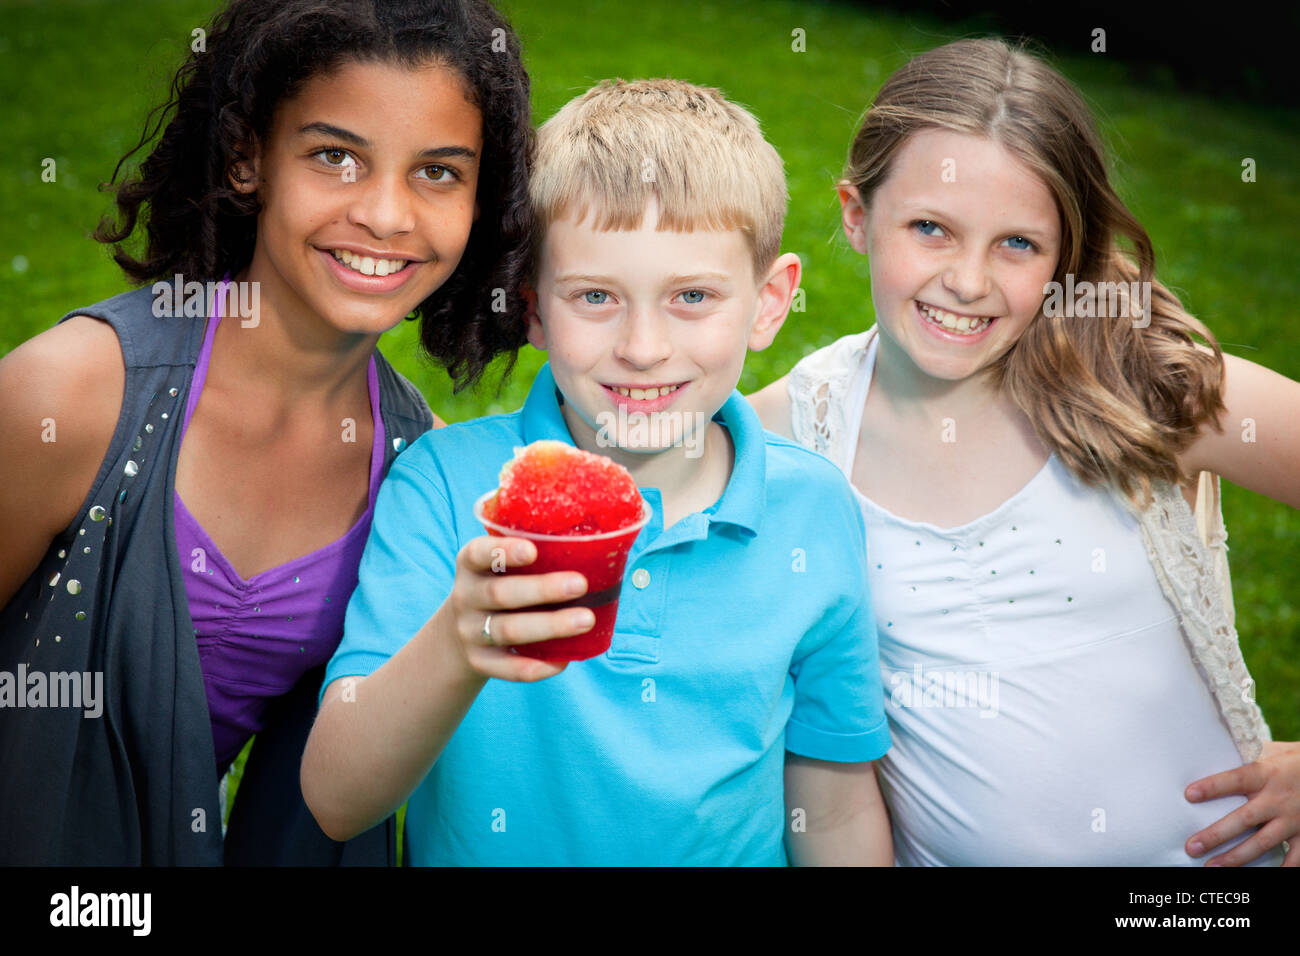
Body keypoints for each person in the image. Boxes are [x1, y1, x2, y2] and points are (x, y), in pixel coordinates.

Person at [301, 78, 893, 865]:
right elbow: (339, 802)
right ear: (534, 307)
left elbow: (834, 800)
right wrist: (459, 636)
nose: (643, 346)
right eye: (595, 297)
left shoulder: (813, 509)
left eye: (691, 296)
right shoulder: (445, 489)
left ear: (768, 302)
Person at [0, 0, 533, 865]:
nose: (388, 215)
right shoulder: (74, 398)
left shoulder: (418, 471)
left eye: (438, 173)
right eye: (335, 156)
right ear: (248, 159)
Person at [750, 36, 1300, 866]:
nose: (968, 281)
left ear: (1063, 258)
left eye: (1017, 245)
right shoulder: (794, 432)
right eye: (931, 228)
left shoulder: (1141, 382)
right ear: (857, 216)